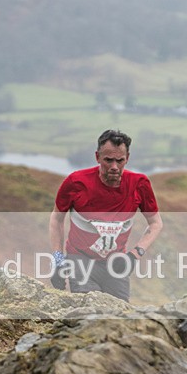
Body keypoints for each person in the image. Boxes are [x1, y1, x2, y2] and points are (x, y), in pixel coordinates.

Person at [48, 129, 163, 302]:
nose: (114, 167)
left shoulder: (139, 184)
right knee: (90, 311)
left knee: (120, 319)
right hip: (80, 260)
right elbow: (56, 219)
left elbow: (156, 224)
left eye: (120, 160)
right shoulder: (76, 182)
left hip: (115, 264)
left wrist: (133, 256)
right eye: (108, 160)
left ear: (127, 158)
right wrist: (58, 260)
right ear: (97, 157)